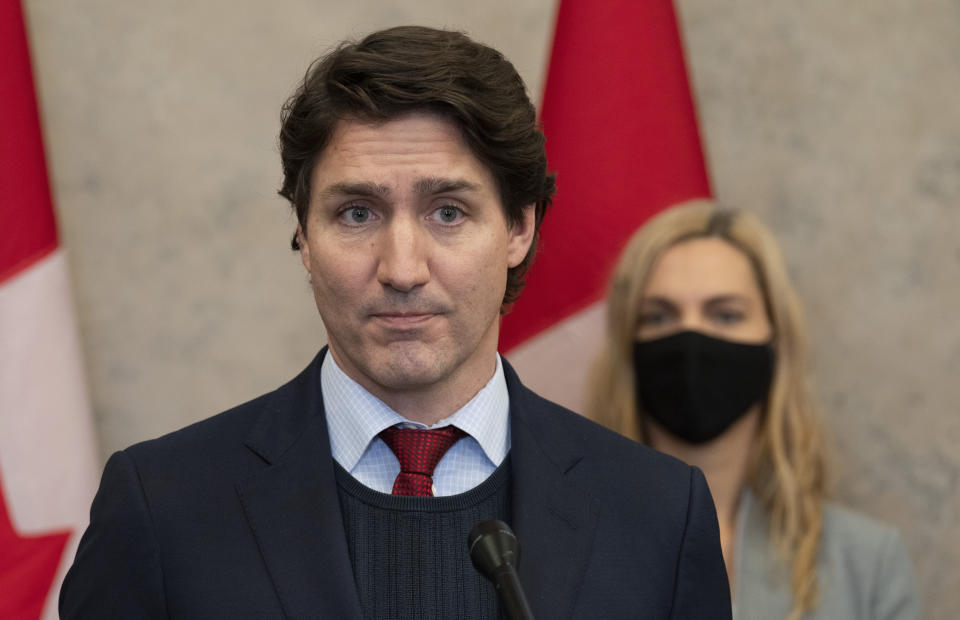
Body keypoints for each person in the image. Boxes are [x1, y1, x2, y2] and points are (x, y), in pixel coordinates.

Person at [59, 27, 732, 619]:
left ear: (519, 228)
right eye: (357, 213)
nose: (403, 268)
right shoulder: (163, 508)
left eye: (448, 212)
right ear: (304, 233)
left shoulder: (657, 515)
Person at [586, 200, 921, 620]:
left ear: (774, 343)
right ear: (627, 346)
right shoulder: (556, 549)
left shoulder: (867, 565)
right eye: (659, 316)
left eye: (726, 315)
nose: (692, 336)